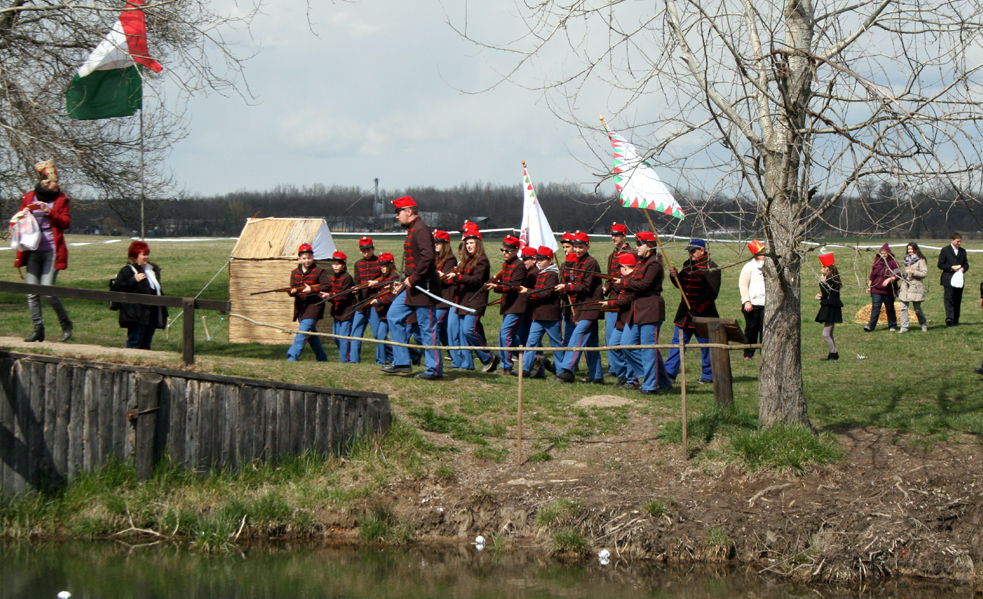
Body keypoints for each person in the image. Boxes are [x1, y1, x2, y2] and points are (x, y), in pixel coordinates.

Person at [383, 196, 443, 380]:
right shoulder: (412, 229)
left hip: (424, 288)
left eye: (398, 212)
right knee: (393, 316)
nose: (396, 216)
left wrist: (415, 278)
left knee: (427, 329)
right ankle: (402, 362)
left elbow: (427, 257)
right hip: (411, 287)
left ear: (409, 212)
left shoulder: (421, 229)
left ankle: (434, 369)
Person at [14, 159, 73, 343]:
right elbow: (19, 218)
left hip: (51, 250)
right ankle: (38, 329)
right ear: (46, 182)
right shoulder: (29, 197)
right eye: (56, 181)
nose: (59, 184)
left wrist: (50, 212)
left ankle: (66, 324)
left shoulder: (61, 199)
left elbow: (65, 223)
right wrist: (22, 216)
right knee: (31, 292)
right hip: (33, 249)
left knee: (47, 291)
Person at [617, 231, 671, 394]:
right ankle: (658, 379)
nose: (637, 247)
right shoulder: (640, 262)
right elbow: (635, 282)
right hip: (637, 308)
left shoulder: (654, 264)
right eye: (637, 243)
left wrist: (624, 282)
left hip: (651, 307)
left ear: (650, 246)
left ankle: (650, 385)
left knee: (648, 349)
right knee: (626, 344)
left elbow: (644, 285)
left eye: (640, 243)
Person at [664, 238, 720, 384]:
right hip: (684, 314)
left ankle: (708, 375)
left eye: (693, 251)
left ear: (702, 250)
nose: (690, 253)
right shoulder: (687, 265)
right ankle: (669, 373)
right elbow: (681, 286)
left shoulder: (712, 267)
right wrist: (674, 276)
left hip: (703, 313)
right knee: (677, 343)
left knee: (706, 346)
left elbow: (712, 293)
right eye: (689, 251)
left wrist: (697, 309)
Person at [553, 231, 604, 384]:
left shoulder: (591, 262)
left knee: (578, 336)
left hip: (590, 306)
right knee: (591, 343)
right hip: (580, 307)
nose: (577, 250)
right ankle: (597, 376)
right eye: (575, 247)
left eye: (581, 247)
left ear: (588, 246)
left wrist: (567, 287)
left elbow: (586, 287)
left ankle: (567, 370)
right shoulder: (576, 262)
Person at [445, 225, 495, 371]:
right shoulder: (466, 260)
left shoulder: (482, 261)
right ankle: (467, 364)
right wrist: (452, 277)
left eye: (471, 243)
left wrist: (458, 277)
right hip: (463, 300)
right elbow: (460, 277)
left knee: (468, 330)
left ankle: (488, 356)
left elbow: (477, 280)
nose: (468, 246)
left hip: (475, 301)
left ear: (478, 244)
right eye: (467, 243)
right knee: (462, 334)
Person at [113, 240, 168, 349]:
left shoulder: (152, 271)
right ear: (135, 256)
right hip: (136, 315)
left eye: (147, 254)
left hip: (151, 313)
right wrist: (133, 280)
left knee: (147, 343)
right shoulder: (127, 271)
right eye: (144, 254)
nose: (147, 257)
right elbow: (116, 288)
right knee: (135, 342)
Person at [486, 234, 527, 374]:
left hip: (516, 306)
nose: (504, 253)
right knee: (507, 336)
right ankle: (531, 359)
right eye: (502, 250)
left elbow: (512, 286)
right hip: (508, 305)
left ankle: (507, 366)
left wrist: (495, 286)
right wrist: (494, 282)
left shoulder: (519, 266)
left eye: (508, 250)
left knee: (505, 335)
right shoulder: (506, 265)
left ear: (516, 251)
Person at [520, 246, 562, 378]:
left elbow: (546, 294)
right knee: (531, 343)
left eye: (542, 259)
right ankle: (525, 369)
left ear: (550, 261)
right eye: (537, 259)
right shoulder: (541, 273)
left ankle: (561, 371)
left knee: (556, 344)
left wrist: (529, 292)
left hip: (550, 315)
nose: (539, 262)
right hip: (538, 315)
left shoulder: (552, 275)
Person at [286, 243, 329, 362]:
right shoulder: (295, 273)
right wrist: (293, 291)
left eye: (309, 258)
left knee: (303, 332)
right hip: (301, 308)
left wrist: (312, 289)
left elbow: (326, 286)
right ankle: (322, 358)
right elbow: (293, 289)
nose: (307, 260)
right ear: (300, 258)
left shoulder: (319, 271)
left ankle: (292, 356)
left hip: (314, 307)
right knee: (311, 336)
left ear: (313, 257)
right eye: (304, 258)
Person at [604, 222, 631, 379]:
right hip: (613, 298)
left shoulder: (631, 252)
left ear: (624, 236)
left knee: (621, 337)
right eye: (612, 235)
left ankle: (625, 368)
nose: (614, 238)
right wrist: (605, 288)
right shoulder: (612, 256)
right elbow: (609, 277)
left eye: (617, 235)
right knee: (609, 335)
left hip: (625, 298)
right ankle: (614, 367)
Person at [349, 237, 382, 363]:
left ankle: (382, 359)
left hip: (375, 303)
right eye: (363, 250)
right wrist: (355, 289)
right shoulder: (358, 264)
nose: (366, 253)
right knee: (355, 333)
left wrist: (376, 283)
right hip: (361, 303)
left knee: (377, 335)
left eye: (368, 250)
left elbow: (386, 279)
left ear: (373, 249)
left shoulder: (380, 262)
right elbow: (357, 282)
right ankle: (353, 361)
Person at [323, 251, 355, 363]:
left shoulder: (347, 278)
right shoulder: (333, 278)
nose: (335, 266)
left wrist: (329, 296)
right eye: (334, 264)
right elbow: (332, 292)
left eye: (338, 264)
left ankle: (344, 362)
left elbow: (343, 297)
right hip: (337, 313)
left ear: (343, 265)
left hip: (347, 312)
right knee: (335, 337)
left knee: (343, 339)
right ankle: (346, 357)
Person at [738, 240, 766, 359]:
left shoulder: (769, 266)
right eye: (760, 253)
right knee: (751, 329)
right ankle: (748, 352)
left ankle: (764, 352)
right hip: (753, 304)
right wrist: (746, 301)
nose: (763, 255)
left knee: (764, 330)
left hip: (765, 303)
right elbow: (743, 284)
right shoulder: (749, 266)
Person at [863, 243, 900, 332]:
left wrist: (890, 279)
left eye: (885, 253)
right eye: (881, 253)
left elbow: (898, 274)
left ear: (889, 253)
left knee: (890, 308)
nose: (883, 255)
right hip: (876, 289)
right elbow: (872, 276)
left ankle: (893, 325)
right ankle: (871, 326)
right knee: (876, 307)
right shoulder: (877, 262)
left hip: (888, 291)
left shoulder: (893, 263)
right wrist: (869, 286)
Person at [815, 251, 843, 360]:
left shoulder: (831, 280)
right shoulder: (832, 279)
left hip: (831, 309)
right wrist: (821, 297)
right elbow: (827, 295)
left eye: (823, 267)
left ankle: (833, 353)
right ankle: (832, 354)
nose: (821, 269)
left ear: (828, 269)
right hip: (830, 307)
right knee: (829, 333)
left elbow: (827, 293)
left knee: (825, 334)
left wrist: (822, 282)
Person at [937, 232, 969, 326]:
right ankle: (949, 318)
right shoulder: (945, 250)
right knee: (949, 299)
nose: (959, 243)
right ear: (952, 240)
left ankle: (956, 319)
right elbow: (940, 264)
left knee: (957, 299)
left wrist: (963, 268)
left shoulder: (962, 251)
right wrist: (951, 268)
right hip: (948, 278)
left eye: (960, 241)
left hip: (959, 279)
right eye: (957, 241)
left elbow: (966, 264)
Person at [898, 242, 929, 333]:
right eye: (908, 249)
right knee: (903, 307)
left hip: (915, 287)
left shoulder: (921, 260)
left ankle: (923, 323)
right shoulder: (906, 259)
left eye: (911, 249)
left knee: (917, 309)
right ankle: (904, 327)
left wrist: (913, 272)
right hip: (905, 286)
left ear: (915, 249)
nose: (909, 251)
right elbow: (905, 271)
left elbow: (924, 273)